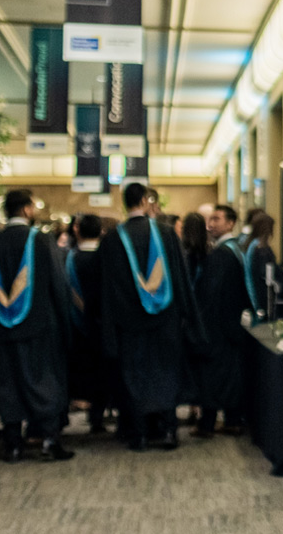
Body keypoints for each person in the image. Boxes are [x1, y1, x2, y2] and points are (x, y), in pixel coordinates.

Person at [99, 185, 202, 451]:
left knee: (135, 377)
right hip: (165, 321)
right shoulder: (166, 234)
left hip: (129, 323)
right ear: (145, 201)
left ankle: (140, 434)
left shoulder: (112, 239)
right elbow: (180, 278)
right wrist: (187, 315)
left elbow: (107, 288)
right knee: (167, 373)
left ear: (125, 203)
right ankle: (168, 431)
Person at [0, 190, 74, 462]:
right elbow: (58, 284)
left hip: (0, 328)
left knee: (8, 383)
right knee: (43, 382)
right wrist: (65, 325)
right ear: (26, 209)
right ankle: (49, 441)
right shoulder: (41, 240)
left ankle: (12, 444)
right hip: (40, 327)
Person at [195, 205, 255, 436]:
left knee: (214, 376)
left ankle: (208, 424)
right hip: (232, 324)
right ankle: (232, 419)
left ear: (231, 223)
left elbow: (212, 293)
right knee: (230, 375)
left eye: (217, 219)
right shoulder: (236, 250)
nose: (211, 224)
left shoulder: (222, 254)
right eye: (210, 219)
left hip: (218, 326)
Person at [66, 213, 108, 434]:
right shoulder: (106, 258)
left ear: (77, 230)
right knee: (102, 372)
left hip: (75, 326)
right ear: (101, 231)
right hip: (102, 324)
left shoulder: (68, 259)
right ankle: (97, 418)